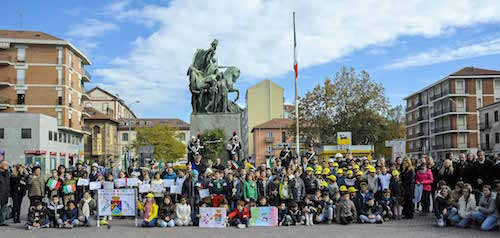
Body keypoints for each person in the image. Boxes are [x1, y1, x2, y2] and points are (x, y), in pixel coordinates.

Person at [0, 160, 10, 226]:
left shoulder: (7, 173)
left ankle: (2, 221)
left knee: (4, 208)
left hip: (5, 194)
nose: (7, 166)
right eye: (5, 164)